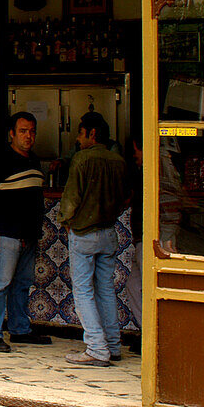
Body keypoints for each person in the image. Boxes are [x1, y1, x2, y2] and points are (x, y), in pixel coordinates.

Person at [0, 112, 50, 352]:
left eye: (32, 131)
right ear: (12, 134)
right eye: (23, 131)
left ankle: (20, 330)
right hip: (6, 233)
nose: (29, 136)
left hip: (29, 234)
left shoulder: (34, 161)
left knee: (22, 284)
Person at [58, 114, 128, 366]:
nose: (77, 139)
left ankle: (97, 348)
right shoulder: (119, 161)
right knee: (106, 291)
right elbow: (124, 198)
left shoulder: (81, 159)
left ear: (92, 134)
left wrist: (65, 221)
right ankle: (113, 345)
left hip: (84, 233)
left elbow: (71, 198)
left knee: (84, 291)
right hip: (109, 233)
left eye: (80, 133)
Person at [123, 137, 143, 355]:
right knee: (134, 286)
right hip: (143, 238)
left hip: (153, 239)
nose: (134, 155)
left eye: (135, 150)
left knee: (146, 286)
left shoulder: (157, 168)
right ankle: (149, 330)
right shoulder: (142, 172)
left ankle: (154, 334)